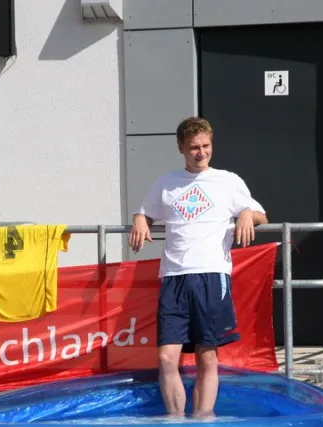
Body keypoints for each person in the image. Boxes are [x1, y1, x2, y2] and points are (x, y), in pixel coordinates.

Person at [129, 117, 268, 418]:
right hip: (174, 278)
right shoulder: (166, 182)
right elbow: (146, 212)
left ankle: (204, 419)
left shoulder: (228, 181)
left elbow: (262, 215)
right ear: (181, 148)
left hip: (212, 276)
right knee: (167, 358)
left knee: (207, 356)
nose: (201, 153)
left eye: (206, 146)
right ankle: (175, 420)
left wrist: (246, 213)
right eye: (194, 147)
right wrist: (140, 218)